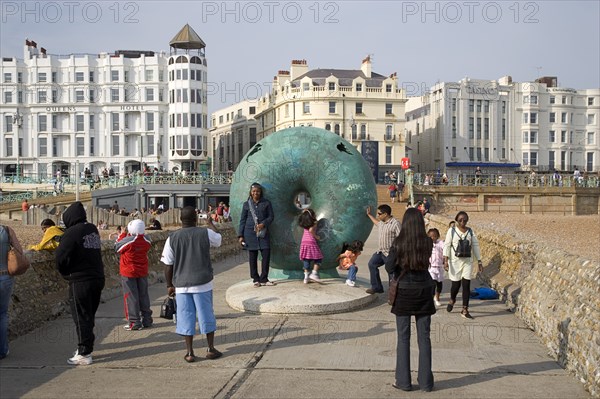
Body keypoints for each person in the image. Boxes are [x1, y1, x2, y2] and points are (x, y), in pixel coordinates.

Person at [160, 206, 223, 363]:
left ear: (180, 220)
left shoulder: (172, 238)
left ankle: (189, 352)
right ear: (196, 219)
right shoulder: (205, 233)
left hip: (181, 285)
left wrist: (169, 285)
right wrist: (210, 223)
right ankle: (210, 349)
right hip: (203, 283)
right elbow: (218, 240)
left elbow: (168, 264)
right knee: (206, 315)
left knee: (185, 317)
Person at [385, 208, 436, 392]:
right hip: (424, 291)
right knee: (424, 337)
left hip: (404, 293)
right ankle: (426, 383)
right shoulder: (427, 242)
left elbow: (389, 266)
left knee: (403, 338)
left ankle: (403, 381)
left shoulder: (399, 243)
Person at [55, 201, 105, 365]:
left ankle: (84, 353)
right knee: (89, 315)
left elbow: (61, 257)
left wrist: (64, 272)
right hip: (97, 278)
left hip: (80, 280)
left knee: (81, 316)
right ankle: (86, 347)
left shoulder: (71, 233)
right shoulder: (92, 229)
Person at [443, 211, 482, 319]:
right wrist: (445, 260)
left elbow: (475, 246)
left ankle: (465, 309)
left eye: (464, 220)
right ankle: (452, 299)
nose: (462, 222)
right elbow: (447, 245)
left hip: (467, 261)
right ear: (457, 220)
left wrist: (479, 261)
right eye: (460, 220)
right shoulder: (451, 231)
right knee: (455, 285)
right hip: (455, 262)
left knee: (466, 285)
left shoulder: (470, 232)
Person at [116, 219, 152, 331]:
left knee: (131, 296)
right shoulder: (147, 240)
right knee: (143, 295)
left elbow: (117, 247)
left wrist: (122, 234)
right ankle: (147, 319)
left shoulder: (128, 241)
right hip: (142, 271)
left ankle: (134, 321)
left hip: (129, 271)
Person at [237, 183, 275, 287]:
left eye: (257, 191)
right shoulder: (246, 204)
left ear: (260, 192)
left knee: (266, 255)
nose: (255, 193)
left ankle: (264, 278)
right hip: (250, 233)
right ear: (250, 192)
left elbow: (271, 217)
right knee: (252, 257)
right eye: (253, 191)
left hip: (263, 233)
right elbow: (242, 220)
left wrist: (264, 223)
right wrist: (240, 235)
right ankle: (255, 279)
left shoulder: (266, 203)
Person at [365, 204, 402, 294]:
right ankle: (376, 287)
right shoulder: (382, 223)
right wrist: (369, 215)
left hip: (391, 254)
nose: (378, 215)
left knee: (391, 273)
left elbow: (401, 238)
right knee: (372, 264)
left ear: (385, 214)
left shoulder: (395, 223)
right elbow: (376, 223)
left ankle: (393, 293)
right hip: (381, 252)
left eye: (379, 213)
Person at [0, 225, 24, 359]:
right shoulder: (6, 230)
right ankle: (2, 350)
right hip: (4, 277)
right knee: (2, 314)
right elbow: (19, 251)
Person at [298, 208, 322, 284]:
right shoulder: (314, 223)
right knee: (319, 258)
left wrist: (305, 211)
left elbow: (303, 214)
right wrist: (316, 236)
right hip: (311, 241)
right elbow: (311, 230)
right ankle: (314, 273)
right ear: (312, 216)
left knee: (306, 259)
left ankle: (306, 278)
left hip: (304, 242)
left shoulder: (304, 223)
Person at [427, 228, 444, 307]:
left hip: (440, 267)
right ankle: (431, 299)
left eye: (435, 236)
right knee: (433, 284)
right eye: (431, 236)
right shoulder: (426, 244)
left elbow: (445, 250)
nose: (432, 238)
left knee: (439, 284)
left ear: (438, 236)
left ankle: (437, 297)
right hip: (431, 268)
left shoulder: (440, 243)